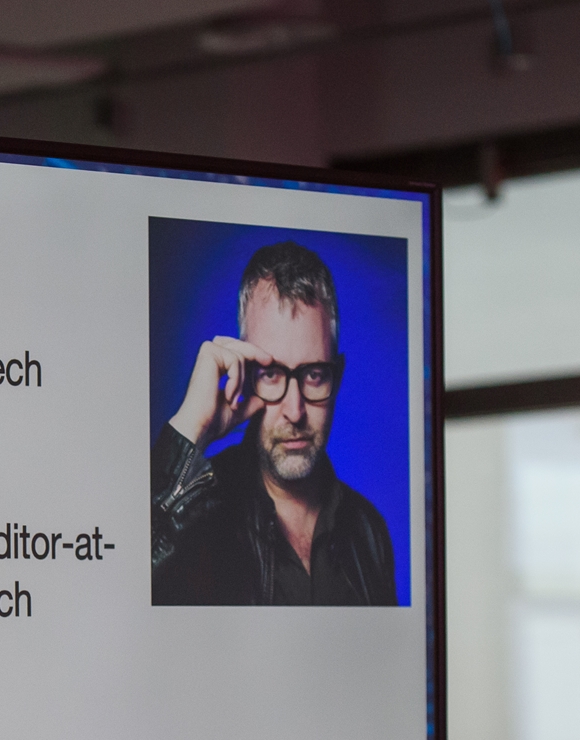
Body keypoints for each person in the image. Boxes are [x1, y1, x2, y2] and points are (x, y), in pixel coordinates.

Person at [151, 241, 396, 606]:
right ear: (245, 373)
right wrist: (190, 429)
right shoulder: (195, 521)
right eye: (271, 374)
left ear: (338, 376)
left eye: (314, 375)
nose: (294, 411)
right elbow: (112, 594)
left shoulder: (368, 531)